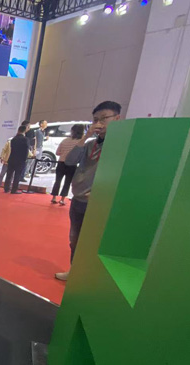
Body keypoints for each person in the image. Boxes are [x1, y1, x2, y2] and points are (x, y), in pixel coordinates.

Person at [55, 101, 122, 281]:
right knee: (75, 239)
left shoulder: (120, 146)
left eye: (104, 118)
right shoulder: (90, 144)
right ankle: (75, 272)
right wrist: (85, 137)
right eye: (95, 119)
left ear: (117, 118)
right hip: (78, 199)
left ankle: (89, 277)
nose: (99, 123)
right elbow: (70, 161)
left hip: (99, 203)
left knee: (94, 242)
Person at [50, 124, 84, 205]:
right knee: (67, 182)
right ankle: (62, 199)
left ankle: (54, 197)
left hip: (61, 162)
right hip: (72, 164)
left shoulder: (65, 140)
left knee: (57, 181)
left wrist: (64, 153)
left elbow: (57, 152)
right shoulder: (80, 142)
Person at [3, 125, 29, 194]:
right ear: (24, 131)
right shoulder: (25, 139)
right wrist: (25, 159)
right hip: (20, 160)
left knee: (9, 175)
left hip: (12, 159)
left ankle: (6, 188)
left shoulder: (13, 139)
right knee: (17, 175)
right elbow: (26, 151)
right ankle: (14, 190)